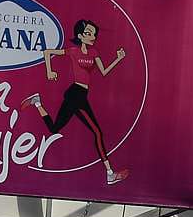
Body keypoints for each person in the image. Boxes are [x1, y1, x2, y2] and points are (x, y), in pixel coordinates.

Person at [25, 19, 129, 186]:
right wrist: (49, 71)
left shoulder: (94, 53)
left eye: (94, 34)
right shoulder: (73, 51)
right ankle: (110, 173)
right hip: (76, 94)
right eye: (88, 33)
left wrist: (118, 59)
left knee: (54, 129)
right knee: (97, 132)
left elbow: (104, 72)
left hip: (80, 95)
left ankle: (37, 102)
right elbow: (47, 52)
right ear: (80, 36)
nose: (92, 36)